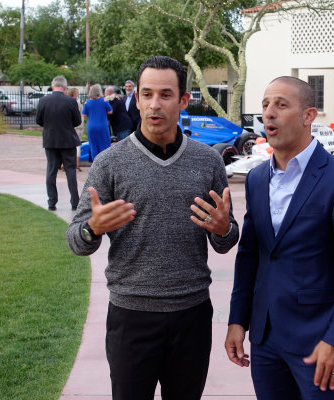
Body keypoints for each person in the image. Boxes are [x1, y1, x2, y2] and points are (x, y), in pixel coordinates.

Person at [66, 56, 239, 400]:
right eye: (146, 94)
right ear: (137, 99)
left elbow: (226, 239)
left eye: (165, 94)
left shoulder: (208, 162)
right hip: (131, 316)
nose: (154, 104)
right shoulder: (109, 164)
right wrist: (92, 229)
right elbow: (76, 241)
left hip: (191, 315)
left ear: (183, 100)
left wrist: (223, 230)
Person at [224, 76, 334, 400]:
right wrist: (238, 320)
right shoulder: (257, 179)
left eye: (281, 104)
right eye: (265, 105)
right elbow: (250, 254)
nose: (269, 113)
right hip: (264, 340)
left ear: (308, 116)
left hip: (317, 341)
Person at [36, 75, 82, 211]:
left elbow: (39, 120)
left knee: (51, 171)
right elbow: (77, 121)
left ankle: (52, 202)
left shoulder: (43, 101)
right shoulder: (70, 101)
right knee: (70, 172)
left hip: (50, 140)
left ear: (52, 85)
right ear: (65, 86)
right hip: (68, 141)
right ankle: (75, 202)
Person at [82, 84, 113, 161]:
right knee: (104, 145)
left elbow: (84, 114)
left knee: (93, 146)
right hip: (102, 126)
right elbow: (110, 111)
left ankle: (95, 164)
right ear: (99, 91)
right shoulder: (103, 100)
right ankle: (105, 163)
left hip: (91, 126)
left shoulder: (87, 102)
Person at [67, 87, 84, 171]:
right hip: (77, 127)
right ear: (74, 94)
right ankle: (76, 163)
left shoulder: (67, 102)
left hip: (71, 126)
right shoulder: (76, 103)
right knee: (77, 145)